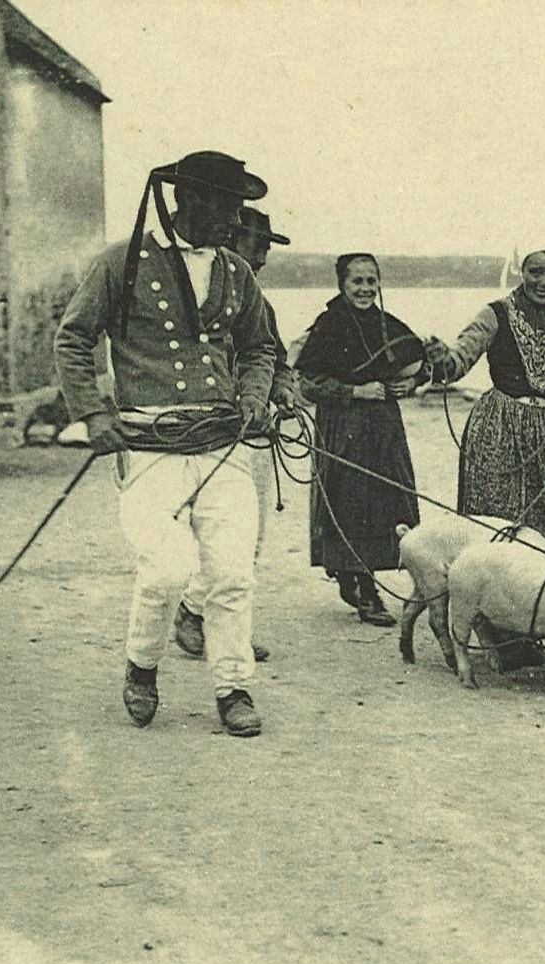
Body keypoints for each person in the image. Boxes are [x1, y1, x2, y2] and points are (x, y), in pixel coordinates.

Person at [54, 150, 279, 737]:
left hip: (223, 445)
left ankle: (233, 687)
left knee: (232, 574)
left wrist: (254, 397)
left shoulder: (237, 272)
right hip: (149, 447)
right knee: (167, 569)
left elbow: (260, 347)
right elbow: (73, 339)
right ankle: (142, 666)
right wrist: (93, 414)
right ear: (190, 200)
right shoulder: (122, 262)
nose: (236, 221)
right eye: (228, 207)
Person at [172, 206, 300, 664]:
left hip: (251, 433)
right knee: (221, 537)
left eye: (266, 248)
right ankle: (195, 616)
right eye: (257, 245)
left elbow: (274, 358)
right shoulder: (191, 293)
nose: (262, 256)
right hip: (203, 432)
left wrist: (282, 389)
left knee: (249, 537)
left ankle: (202, 619)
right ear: (230, 241)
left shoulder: (256, 300)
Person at [297, 253, 429, 626]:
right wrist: (355, 392)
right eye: (357, 281)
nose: (365, 289)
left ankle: (353, 576)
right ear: (342, 284)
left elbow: (421, 362)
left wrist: (410, 383)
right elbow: (308, 383)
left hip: (384, 428)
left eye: (372, 281)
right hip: (343, 427)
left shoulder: (388, 325)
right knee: (349, 500)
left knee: (388, 499)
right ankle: (363, 588)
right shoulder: (328, 326)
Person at [426, 249, 545, 540]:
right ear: (521, 273)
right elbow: (460, 359)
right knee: (496, 517)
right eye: (535, 272)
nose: (544, 281)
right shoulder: (494, 313)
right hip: (498, 426)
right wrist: (442, 358)